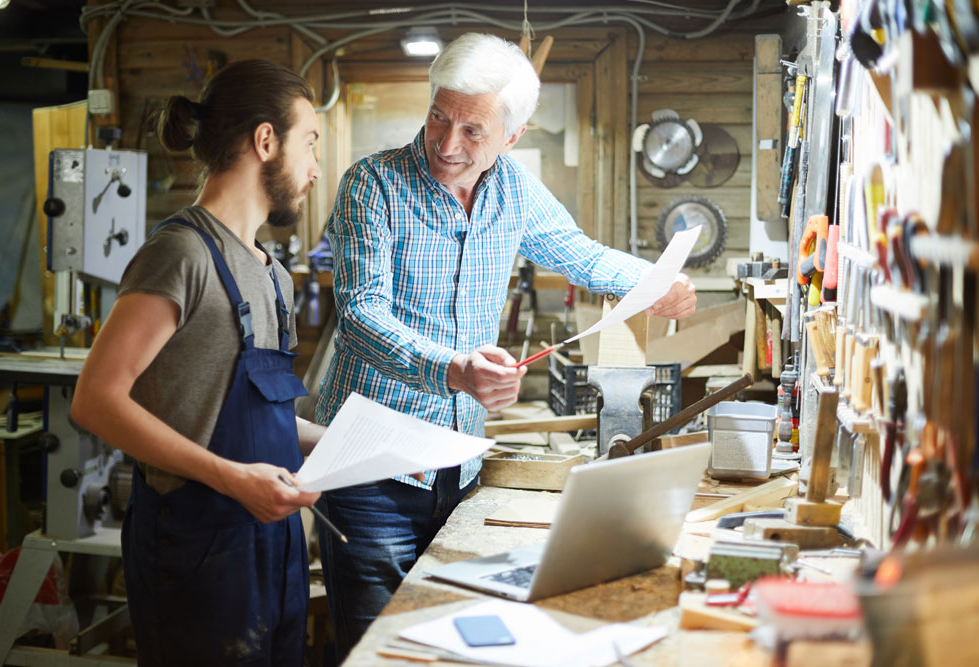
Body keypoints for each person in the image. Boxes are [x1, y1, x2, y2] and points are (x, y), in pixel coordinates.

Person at [314, 32, 698, 660]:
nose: (447, 144)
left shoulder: (513, 191)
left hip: (460, 464)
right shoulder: (373, 185)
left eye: (473, 131)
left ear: (511, 138)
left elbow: (578, 254)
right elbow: (361, 313)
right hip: (371, 469)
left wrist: (658, 282)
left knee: (448, 641)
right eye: (440, 116)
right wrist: (451, 369)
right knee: (379, 650)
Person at [71, 59, 325, 667]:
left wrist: (347, 441)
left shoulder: (272, 276)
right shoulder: (179, 254)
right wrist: (231, 478)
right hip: (200, 546)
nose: (317, 166)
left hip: (272, 540)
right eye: (310, 142)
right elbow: (96, 399)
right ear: (266, 141)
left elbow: (252, 417)